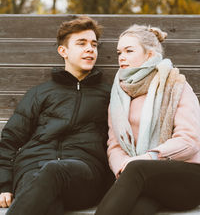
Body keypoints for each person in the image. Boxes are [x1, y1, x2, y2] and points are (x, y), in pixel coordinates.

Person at [0, 16, 111, 215]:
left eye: (94, 44)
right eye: (81, 43)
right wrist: (4, 184)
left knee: (52, 171)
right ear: (63, 51)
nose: (90, 49)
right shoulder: (40, 93)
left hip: (84, 171)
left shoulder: (108, 94)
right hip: (32, 167)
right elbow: (10, 140)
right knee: (49, 204)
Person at [95, 24, 200, 215]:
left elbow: (189, 141)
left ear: (150, 55)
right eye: (119, 52)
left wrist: (149, 157)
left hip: (186, 177)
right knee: (138, 208)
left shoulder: (176, 87)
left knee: (137, 170)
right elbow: (114, 145)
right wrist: (121, 168)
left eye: (129, 51)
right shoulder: (119, 96)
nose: (121, 57)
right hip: (143, 181)